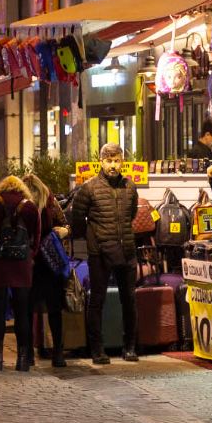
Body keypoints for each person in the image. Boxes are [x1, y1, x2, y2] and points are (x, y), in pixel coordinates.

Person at [0, 175, 69, 371]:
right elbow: (36, 236)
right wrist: (29, 255)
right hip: (24, 265)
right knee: (23, 312)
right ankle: (22, 359)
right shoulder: (29, 206)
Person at [70, 143, 142, 365]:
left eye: (117, 160)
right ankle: (97, 349)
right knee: (97, 301)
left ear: (122, 161)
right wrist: (92, 239)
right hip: (100, 252)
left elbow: (132, 213)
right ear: (101, 161)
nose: (113, 165)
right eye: (109, 160)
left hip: (127, 251)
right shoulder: (89, 188)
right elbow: (77, 218)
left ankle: (129, 346)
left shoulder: (130, 187)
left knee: (129, 300)